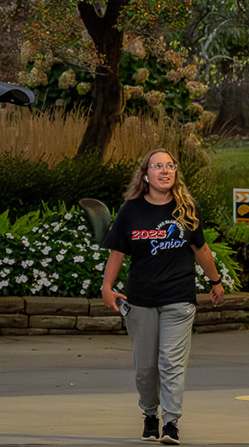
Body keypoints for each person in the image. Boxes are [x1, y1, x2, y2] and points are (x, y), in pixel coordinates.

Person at [102, 149, 225, 445]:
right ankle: (149, 415)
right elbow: (117, 253)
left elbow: (201, 250)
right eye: (158, 166)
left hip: (178, 298)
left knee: (171, 363)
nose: (165, 171)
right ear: (146, 174)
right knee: (145, 368)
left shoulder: (186, 208)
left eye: (170, 166)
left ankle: (171, 423)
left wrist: (216, 281)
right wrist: (107, 287)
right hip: (141, 299)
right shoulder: (130, 210)